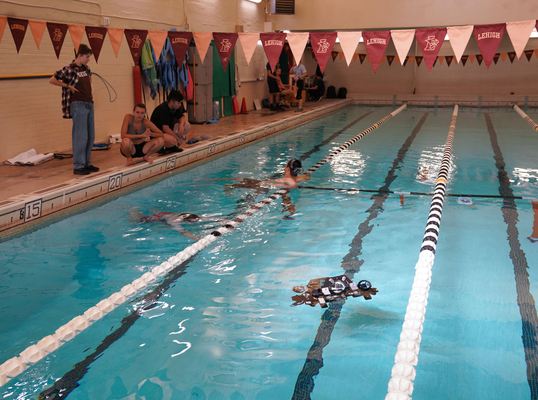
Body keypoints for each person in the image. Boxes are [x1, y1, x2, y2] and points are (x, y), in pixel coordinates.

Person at [49, 44, 99, 175]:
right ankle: (78, 166)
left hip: (89, 103)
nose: (88, 59)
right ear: (80, 55)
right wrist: (68, 86)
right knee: (80, 136)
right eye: (87, 57)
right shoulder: (69, 69)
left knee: (90, 136)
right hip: (78, 104)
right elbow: (52, 79)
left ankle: (86, 163)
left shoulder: (87, 69)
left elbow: (89, 81)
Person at [150, 90, 191, 154]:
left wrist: (181, 126)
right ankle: (158, 147)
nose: (180, 105)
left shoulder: (175, 107)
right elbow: (165, 128)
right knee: (172, 141)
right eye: (179, 103)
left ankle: (170, 147)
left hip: (166, 131)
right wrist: (177, 138)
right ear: (171, 102)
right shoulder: (164, 109)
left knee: (187, 125)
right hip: (157, 134)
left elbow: (182, 117)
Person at [137, 211, 226, 240]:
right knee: (139, 220)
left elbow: (209, 218)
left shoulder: (194, 217)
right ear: (185, 220)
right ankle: (135, 213)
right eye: (192, 222)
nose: (194, 222)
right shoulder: (176, 222)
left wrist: (221, 220)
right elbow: (183, 232)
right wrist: (197, 238)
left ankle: (154, 210)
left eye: (195, 221)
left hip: (169, 214)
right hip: (162, 218)